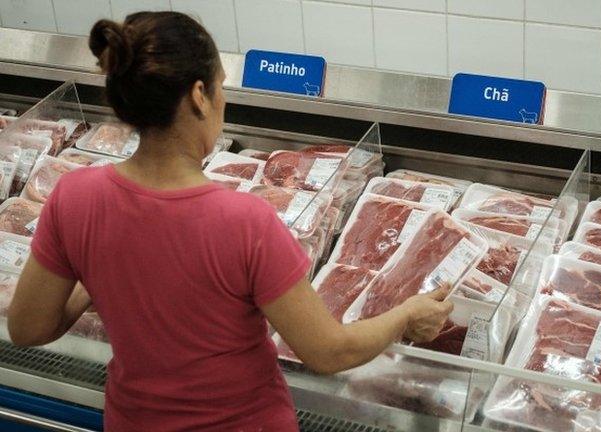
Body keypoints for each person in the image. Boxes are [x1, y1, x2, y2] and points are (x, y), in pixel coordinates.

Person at [6, 12, 453, 432]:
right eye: (220, 86)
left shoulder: (74, 196)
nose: (223, 100)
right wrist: (407, 315)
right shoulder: (244, 221)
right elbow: (328, 351)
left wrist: (94, 279)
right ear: (199, 95)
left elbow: (27, 328)